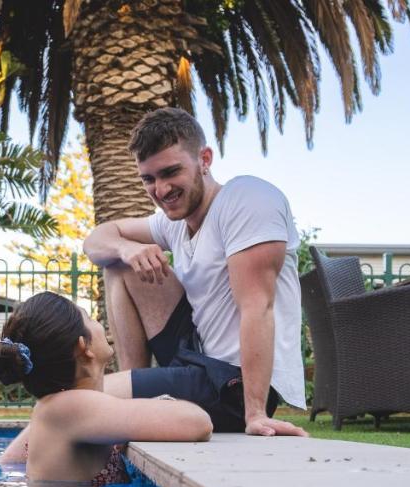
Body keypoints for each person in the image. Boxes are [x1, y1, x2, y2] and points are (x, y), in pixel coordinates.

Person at [83, 107, 308, 437]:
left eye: (171, 172)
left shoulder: (247, 200)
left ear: (204, 159)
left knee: (81, 398)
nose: (161, 190)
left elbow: (257, 307)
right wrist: (127, 249)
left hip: (231, 382)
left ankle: (131, 400)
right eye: (149, 179)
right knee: (118, 264)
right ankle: (134, 396)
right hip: (193, 358)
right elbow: (96, 238)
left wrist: (255, 413)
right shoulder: (173, 224)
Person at [0, 291, 212, 487]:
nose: (99, 324)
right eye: (90, 318)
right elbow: (198, 423)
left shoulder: (57, 408)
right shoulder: (68, 408)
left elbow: (9, 462)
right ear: (83, 346)